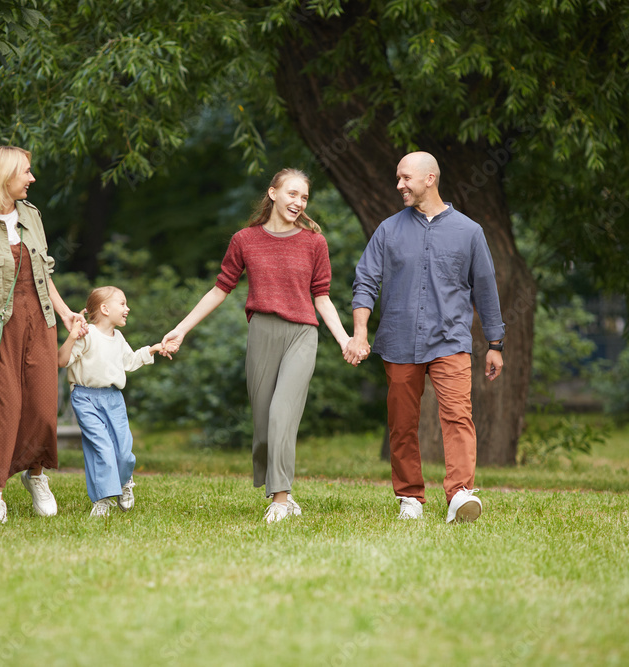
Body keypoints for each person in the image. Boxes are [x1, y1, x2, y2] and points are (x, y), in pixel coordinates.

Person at [161, 168, 355, 524]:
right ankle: (284, 492)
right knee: (265, 424)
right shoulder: (245, 240)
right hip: (262, 333)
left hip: (302, 334)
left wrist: (344, 339)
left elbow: (322, 297)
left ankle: (279, 500)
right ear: (273, 193)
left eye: (304, 197)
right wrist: (181, 329)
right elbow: (220, 289)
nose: (298, 202)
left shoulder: (314, 242)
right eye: (292, 194)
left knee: (283, 413)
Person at [345, 151, 505, 524]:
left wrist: (495, 344)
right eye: (398, 178)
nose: (399, 185)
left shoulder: (469, 232)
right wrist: (359, 333)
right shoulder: (388, 230)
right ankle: (410, 497)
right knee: (402, 423)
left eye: (405, 178)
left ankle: (460, 493)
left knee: (457, 416)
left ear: (430, 178)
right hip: (399, 340)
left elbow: (485, 290)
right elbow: (365, 282)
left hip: (451, 341)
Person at [0, 145, 85, 524]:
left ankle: (36, 475)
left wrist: (66, 314)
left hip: (39, 321)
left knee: (42, 406)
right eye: (25, 172)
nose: (32, 178)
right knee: (1, 408)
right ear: (3, 176)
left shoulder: (31, 215)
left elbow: (44, 274)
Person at [59, 286, 165, 517]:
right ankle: (103, 499)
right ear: (105, 309)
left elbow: (130, 361)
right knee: (102, 449)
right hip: (85, 398)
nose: (127, 308)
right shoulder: (87, 335)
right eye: (123, 303)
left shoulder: (118, 338)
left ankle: (125, 481)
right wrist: (72, 336)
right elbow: (62, 360)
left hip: (113, 399)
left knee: (124, 452)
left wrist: (153, 349)